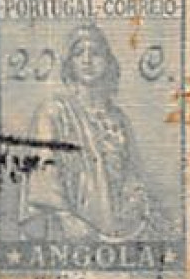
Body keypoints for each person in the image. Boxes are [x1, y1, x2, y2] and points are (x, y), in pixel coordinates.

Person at [18, 23, 164, 244]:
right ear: (70, 64)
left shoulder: (119, 119)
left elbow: (133, 172)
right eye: (79, 53)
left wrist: (136, 201)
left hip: (116, 231)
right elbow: (43, 171)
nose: (87, 60)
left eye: (95, 53)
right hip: (69, 233)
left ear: (108, 62)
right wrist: (67, 218)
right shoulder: (54, 112)